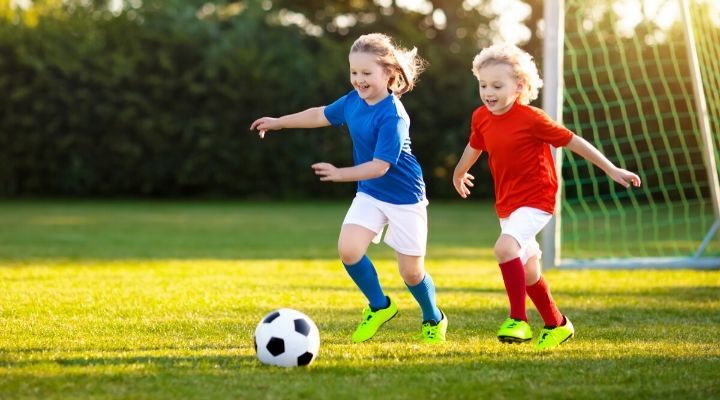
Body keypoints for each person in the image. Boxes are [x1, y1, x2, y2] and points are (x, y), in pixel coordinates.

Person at [250, 33, 447, 344]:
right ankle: (380, 306)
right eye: (354, 72)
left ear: (389, 74)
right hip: (370, 192)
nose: (359, 79)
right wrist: (279, 122)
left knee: (411, 273)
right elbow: (320, 114)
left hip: (404, 198)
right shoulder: (353, 102)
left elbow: (381, 166)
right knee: (349, 250)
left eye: (366, 73)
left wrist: (341, 174)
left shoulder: (393, 116)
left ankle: (433, 317)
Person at [452, 43, 641, 350]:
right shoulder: (481, 117)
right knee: (527, 271)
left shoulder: (532, 118)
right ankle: (557, 324)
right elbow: (475, 145)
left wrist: (611, 169)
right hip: (507, 203)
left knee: (504, 248)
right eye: (483, 85)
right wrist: (458, 172)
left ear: (520, 86)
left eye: (497, 85)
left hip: (537, 199)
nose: (489, 92)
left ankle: (518, 321)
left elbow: (573, 141)